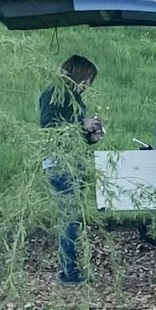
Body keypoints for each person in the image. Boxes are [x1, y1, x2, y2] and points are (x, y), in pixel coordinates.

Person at [39, 55, 105, 283]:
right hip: (59, 163)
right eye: (87, 79)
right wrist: (81, 125)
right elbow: (49, 128)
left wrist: (91, 136)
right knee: (69, 218)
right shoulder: (52, 94)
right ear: (77, 74)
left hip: (74, 162)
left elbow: (74, 134)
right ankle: (68, 272)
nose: (88, 86)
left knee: (73, 219)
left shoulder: (77, 99)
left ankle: (70, 268)